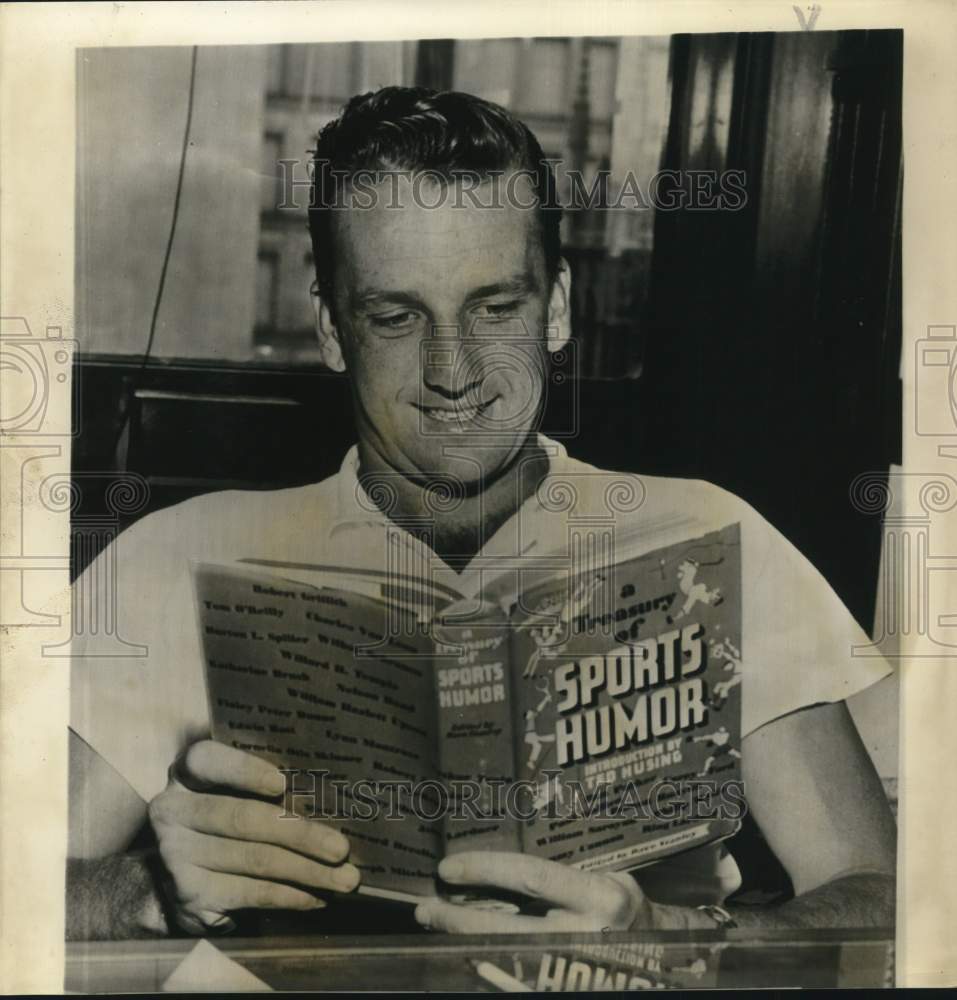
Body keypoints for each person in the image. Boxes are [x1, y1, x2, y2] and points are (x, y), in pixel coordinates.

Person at [67, 86, 896, 940]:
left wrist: (675, 940)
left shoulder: (707, 541)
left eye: (495, 308)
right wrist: (151, 892)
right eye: (394, 317)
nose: (452, 370)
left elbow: (879, 896)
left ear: (559, 308)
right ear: (328, 329)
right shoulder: (178, 558)